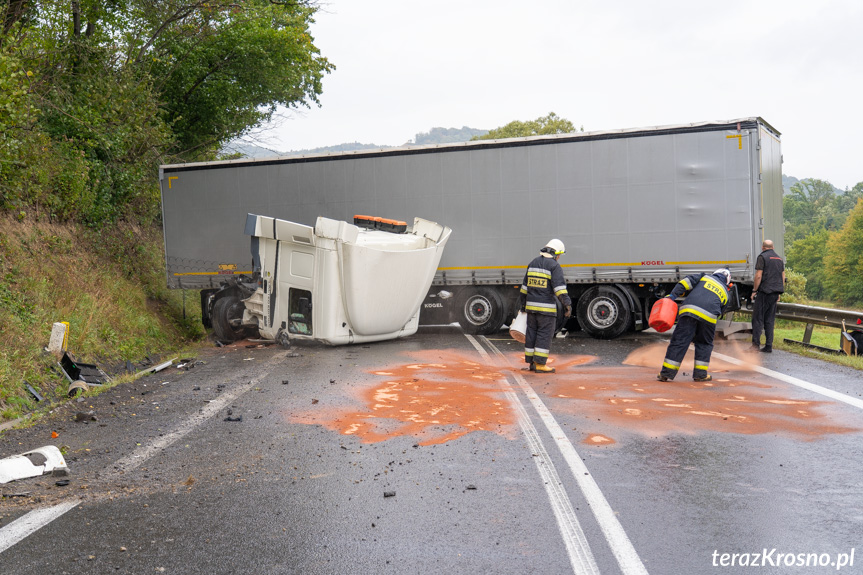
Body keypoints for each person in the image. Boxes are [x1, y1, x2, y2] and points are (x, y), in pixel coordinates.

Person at [657, 268, 732, 382]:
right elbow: (721, 311)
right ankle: (700, 375)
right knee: (704, 343)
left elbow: (685, 282)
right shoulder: (726, 293)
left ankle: (666, 374)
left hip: (689, 311)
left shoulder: (704, 277)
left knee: (679, 341)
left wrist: (672, 296)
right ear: (727, 281)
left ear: (715, 274)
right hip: (709, 317)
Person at [517, 239, 572, 374]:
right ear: (555, 254)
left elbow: (524, 289)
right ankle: (540, 364)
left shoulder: (533, 263)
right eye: (559, 255)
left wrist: (523, 306)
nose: (559, 258)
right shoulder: (554, 266)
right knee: (544, 334)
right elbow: (559, 289)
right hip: (546, 310)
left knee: (532, 334)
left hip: (531, 308)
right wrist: (567, 305)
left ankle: (531, 363)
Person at [748, 239, 785, 353]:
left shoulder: (762, 257)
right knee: (769, 319)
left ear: (763, 247)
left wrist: (754, 290)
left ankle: (755, 346)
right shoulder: (779, 259)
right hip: (775, 292)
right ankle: (768, 346)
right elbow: (782, 277)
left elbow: (758, 275)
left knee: (758, 319)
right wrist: (778, 292)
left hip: (765, 292)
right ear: (773, 247)